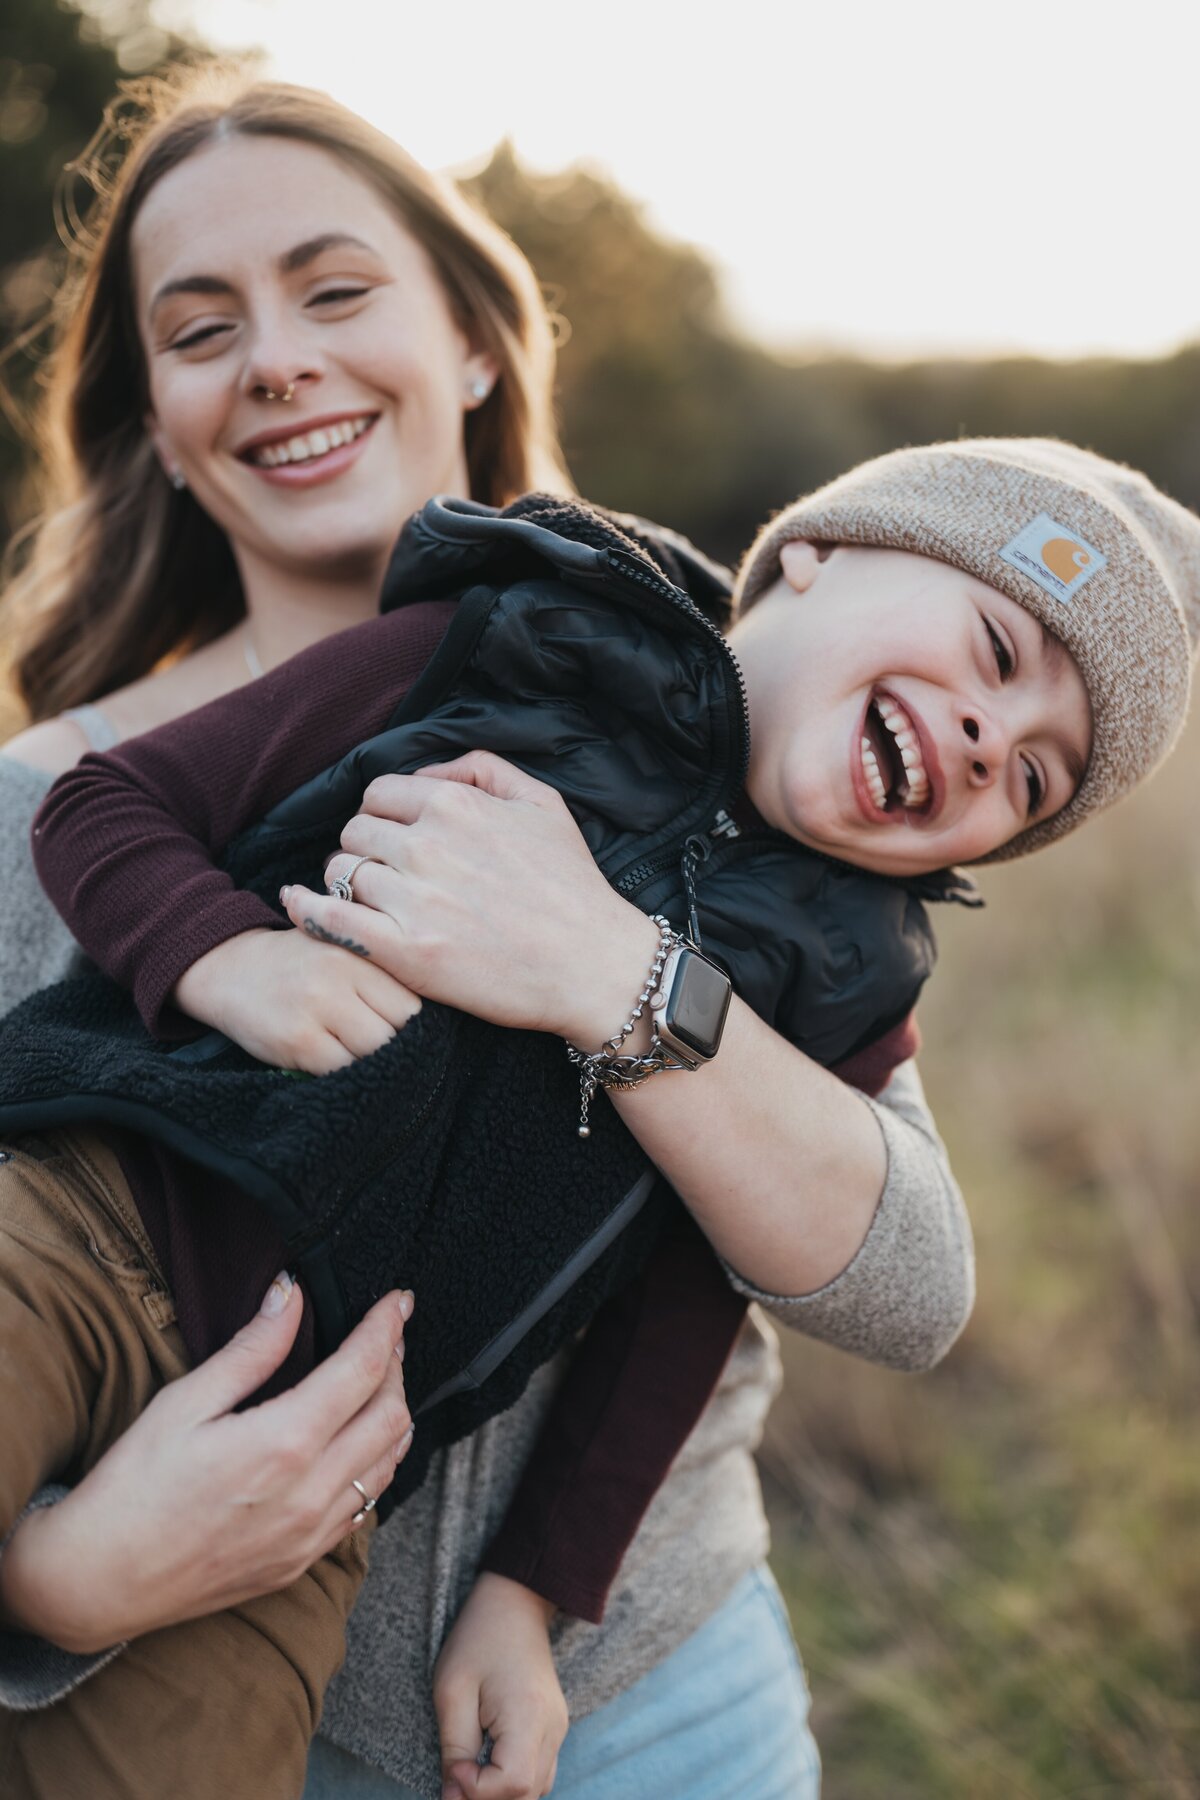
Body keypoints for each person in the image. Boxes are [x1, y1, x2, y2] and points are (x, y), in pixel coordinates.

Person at [0, 66, 973, 1800]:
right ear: (158, 416)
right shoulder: (33, 809)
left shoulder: (727, 732)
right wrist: (57, 1584)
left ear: (473, 338)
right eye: (202, 326)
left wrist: (608, 972)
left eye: (337, 288)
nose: (279, 357)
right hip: (191, 1659)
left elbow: (906, 1285)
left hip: (647, 1688)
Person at [9, 436, 1200, 1800]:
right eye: (995, 648)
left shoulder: (839, 986)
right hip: (82, 1235)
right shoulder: (510, 639)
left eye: (1038, 783)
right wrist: (230, 956)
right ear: (809, 557)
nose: (997, 743)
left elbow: (684, 1305)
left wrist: (531, 1593)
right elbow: (117, 804)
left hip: (318, 1469)